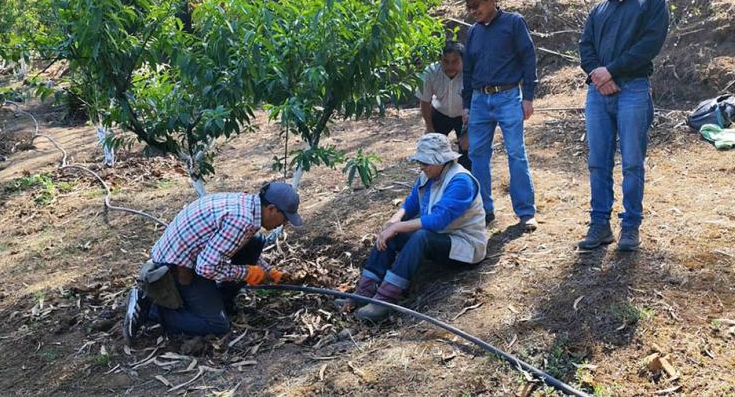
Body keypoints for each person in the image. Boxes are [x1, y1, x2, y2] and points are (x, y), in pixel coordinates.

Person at [577, 0, 669, 252]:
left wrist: (610, 71)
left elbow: (649, 46)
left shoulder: (653, 3)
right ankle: (599, 225)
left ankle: (630, 227)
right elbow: (585, 47)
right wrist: (598, 75)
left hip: (634, 90)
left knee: (632, 162)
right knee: (597, 162)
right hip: (598, 95)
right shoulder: (599, 9)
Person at [122, 182, 302, 341]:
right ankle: (152, 306)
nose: (284, 223)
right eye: (285, 217)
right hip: (178, 267)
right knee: (217, 326)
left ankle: (219, 301)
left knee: (255, 243)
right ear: (271, 209)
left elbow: (232, 246)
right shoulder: (242, 221)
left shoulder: (247, 204)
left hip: (193, 256)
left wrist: (268, 271)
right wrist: (247, 273)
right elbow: (206, 268)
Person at [338, 133, 487, 322]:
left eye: (426, 162)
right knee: (393, 235)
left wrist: (398, 227)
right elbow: (412, 203)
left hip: (464, 246)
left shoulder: (461, 181)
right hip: (440, 237)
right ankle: (364, 292)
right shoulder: (428, 175)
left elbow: (438, 220)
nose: (421, 166)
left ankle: (384, 300)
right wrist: (394, 220)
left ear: (441, 161)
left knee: (420, 236)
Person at [460, 0, 538, 230]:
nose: (473, 12)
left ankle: (525, 212)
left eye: (476, 5)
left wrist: (528, 96)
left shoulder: (513, 23)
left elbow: (528, 58)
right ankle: (484, 210)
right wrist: (467, 104)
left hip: (508, 97)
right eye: (469, 7)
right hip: (480, 100)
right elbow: (468, 70)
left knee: (516, 153)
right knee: (477, 155)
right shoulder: (473, 32)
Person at [417, 40, 470, 170]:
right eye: (446, 61)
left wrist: (470, 132)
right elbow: (424, 102)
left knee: (468, 152)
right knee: (432, 149)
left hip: (465, 117)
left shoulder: (471, 73)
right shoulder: (430, 72)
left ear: (463, 60)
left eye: (455, 61)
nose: (450, 66)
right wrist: (429, 128)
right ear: (440, 59)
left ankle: (465, 182)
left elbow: (478, 103)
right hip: (439, 113)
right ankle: (435, 181)